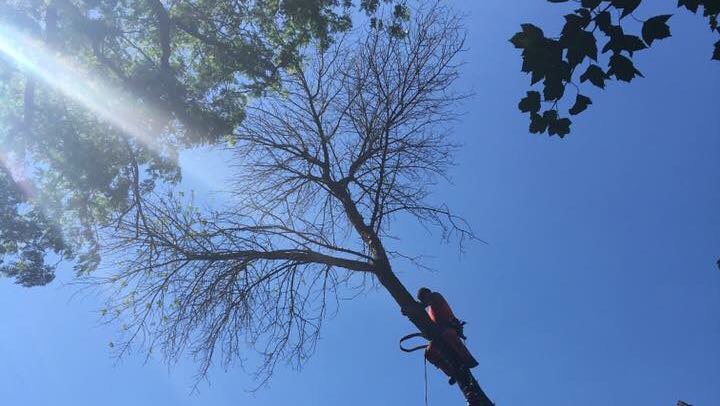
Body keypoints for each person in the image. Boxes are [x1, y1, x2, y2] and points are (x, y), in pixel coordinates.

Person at [417, 287, 478, 384]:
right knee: (429, 352)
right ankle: (451, 372)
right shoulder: (429, 310)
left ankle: (465, 361)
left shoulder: (435, 296)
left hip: (449, 328)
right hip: (439, 333)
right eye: (422, 299)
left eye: (423, 298)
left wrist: (411, 307)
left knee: (448, 335)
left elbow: (422, 305)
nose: (424, 300)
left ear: (427, 293)